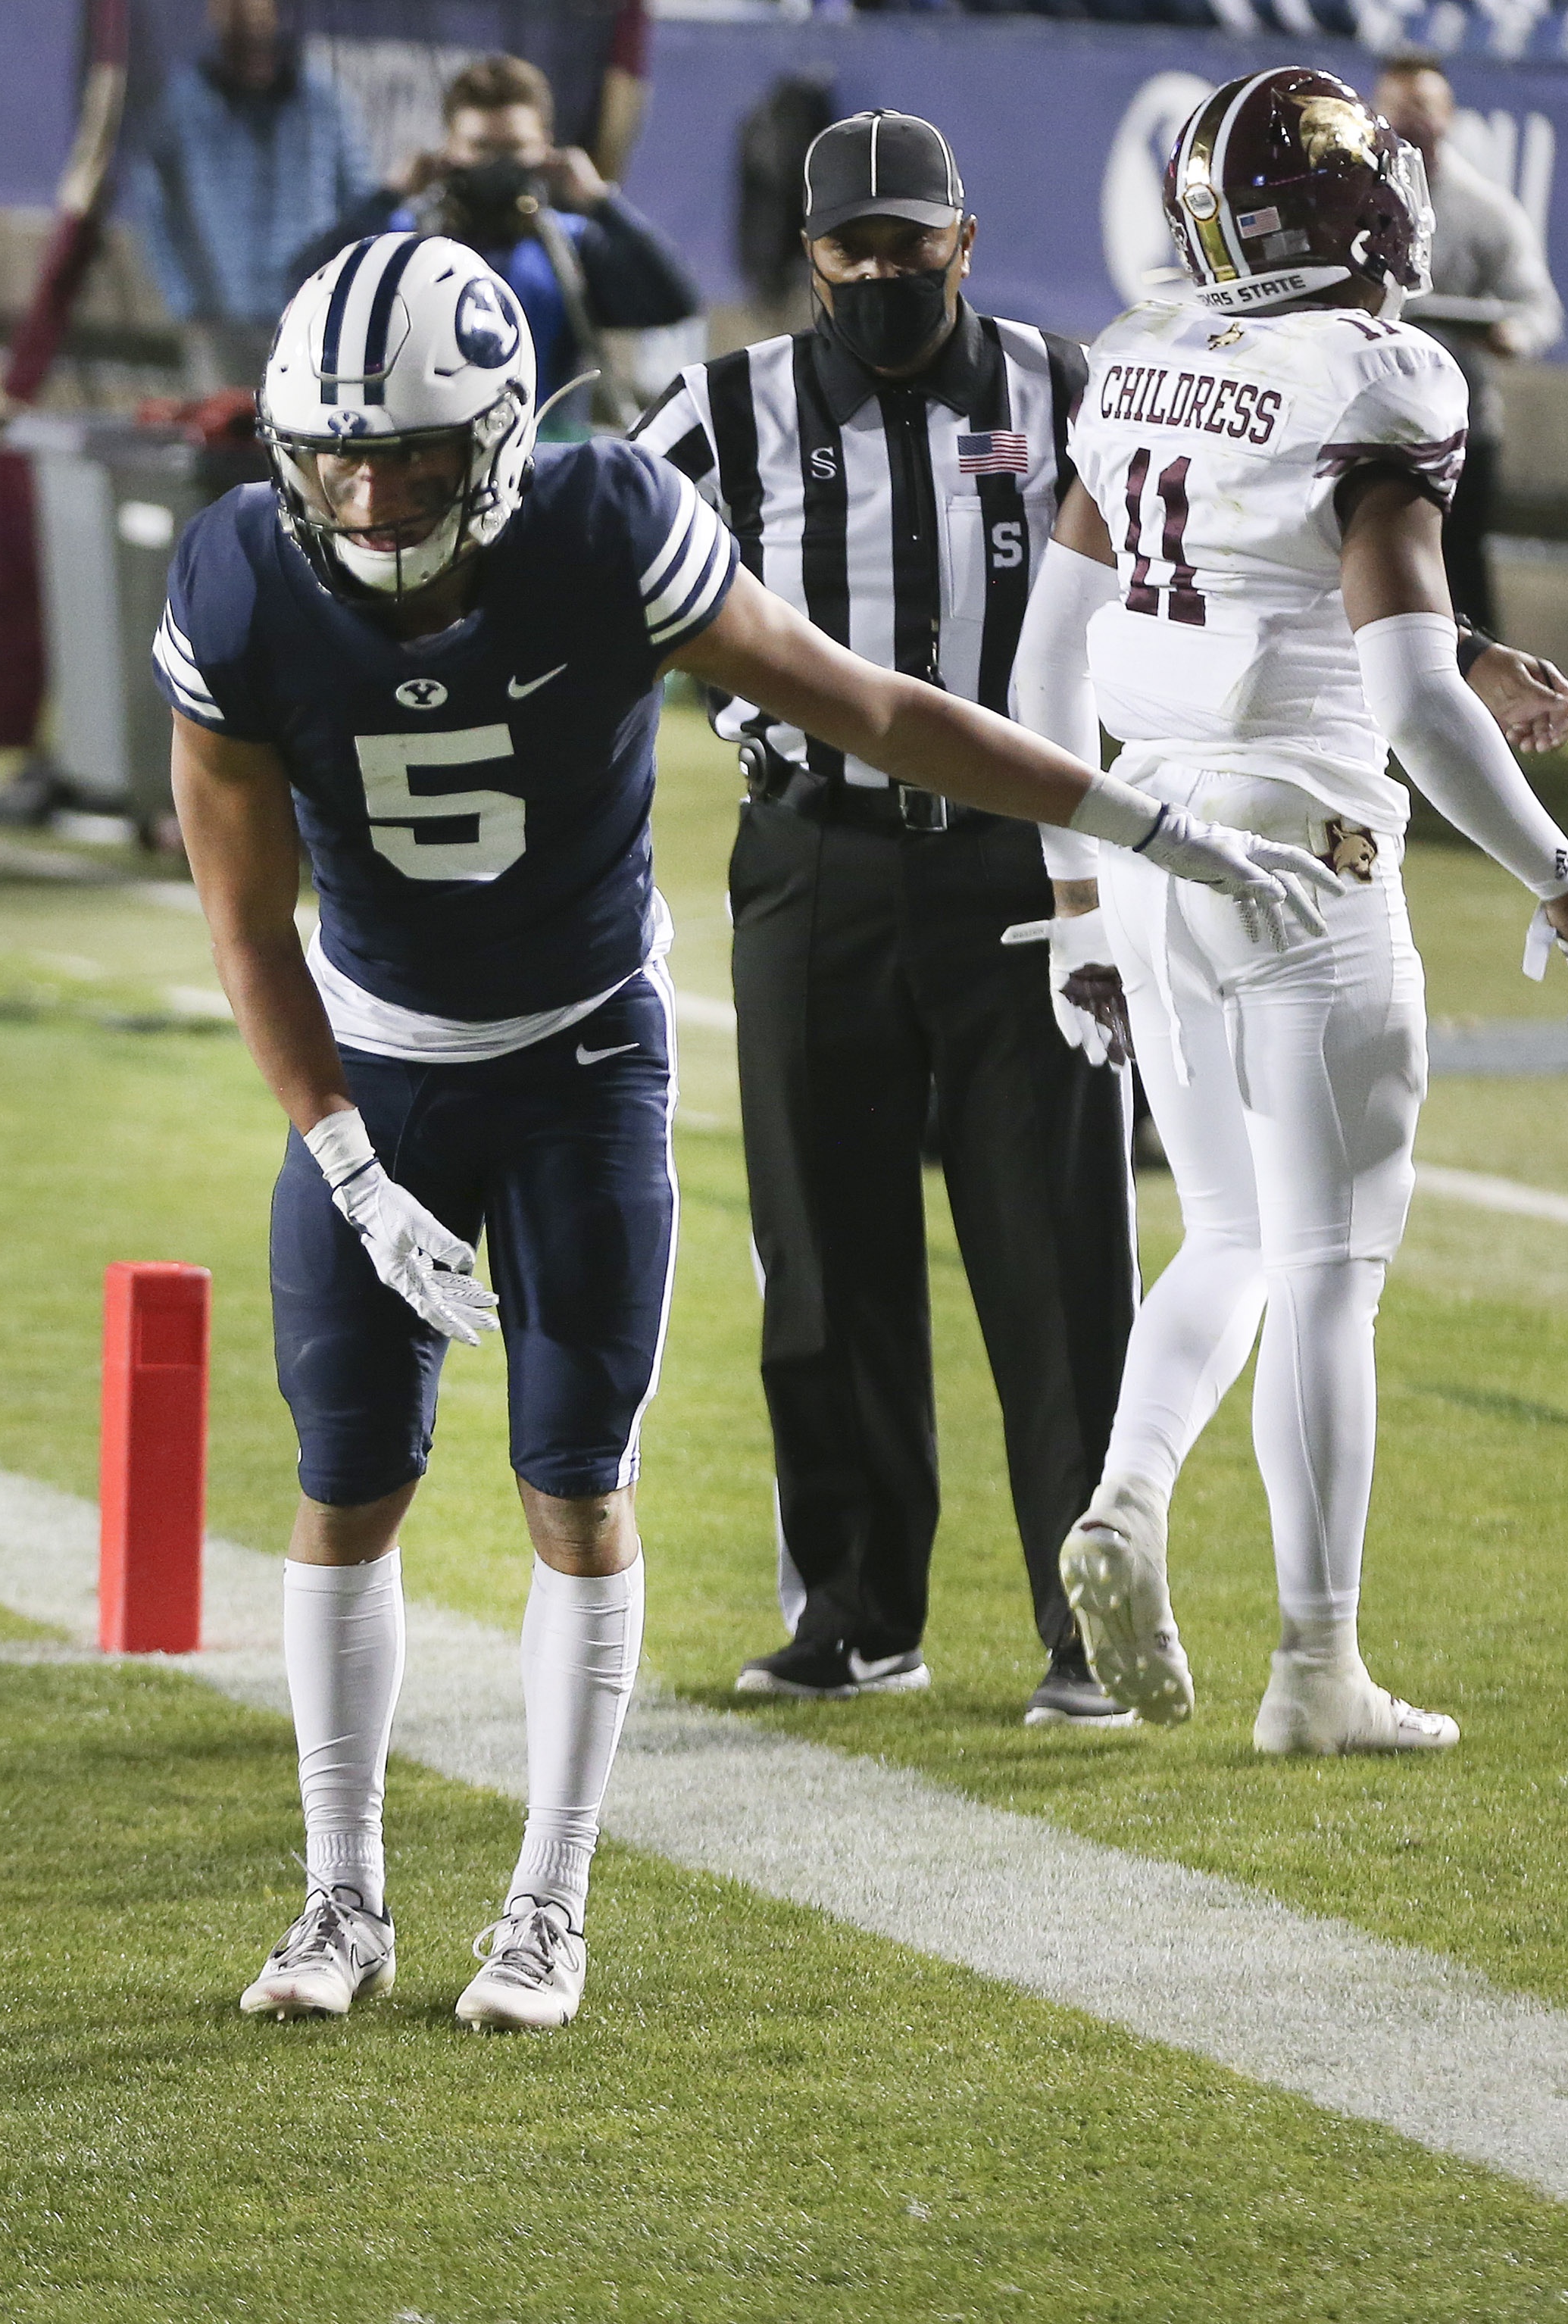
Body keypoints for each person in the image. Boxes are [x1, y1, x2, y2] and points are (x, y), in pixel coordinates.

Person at [166, 232, 1339, 2030]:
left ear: (491, 436)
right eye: (336, 454)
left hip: (573, 1059)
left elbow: (865, 706)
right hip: (381, 1068)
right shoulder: (244, 580)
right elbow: (246, 923)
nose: (368, 490)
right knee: (344, 1483)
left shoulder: (599, 525)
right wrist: (339, 1151)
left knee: (573, 1479)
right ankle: (338, 1900)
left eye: (405, 451)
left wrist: (1141, 826)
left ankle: (544, 1907)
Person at [1019, 66, 1568, 1756]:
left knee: (1223, 1233)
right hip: (1302, 853)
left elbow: (1051, 656)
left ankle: (1129, 1497)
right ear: (1349, 211)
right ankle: (1314, 1666)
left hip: (1143, 833)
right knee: (1333, 1266)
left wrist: (1070, 898)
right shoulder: (1372, 372)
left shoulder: (1141, 354)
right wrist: (1558, 877)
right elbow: (1415, 708)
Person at [631, 112, 1134, 1727]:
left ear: (964, 241)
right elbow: (587, 560)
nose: (886, 274)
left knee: (1055, 1250)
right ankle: (852, 1612)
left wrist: (1447, 642)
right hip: (811, 858)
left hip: (1022, 862)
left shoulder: (1070, 393)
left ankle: (1092, 1625)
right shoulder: (722, 410)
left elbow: (1227, 549)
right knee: (821, 1248)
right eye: (855, 251)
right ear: (810, 260)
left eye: (914, 245)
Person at [292, 53, 695, 439]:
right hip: (427, 455)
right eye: (482, 148)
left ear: (545, 149)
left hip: (545, 463)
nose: (498, 166)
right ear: (449, 148)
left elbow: (674, 301)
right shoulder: (403, 241)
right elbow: (305, 287)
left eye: (515, 149)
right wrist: (389, 195)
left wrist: (601, 202)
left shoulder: (570, 248)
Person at [1370, 52, 1560, 636]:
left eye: (1423, 106)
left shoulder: (1485, 210)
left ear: (1448, 114)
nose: (1411, 120)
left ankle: (1489, 706)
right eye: (1398, 107)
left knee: (1459, 577)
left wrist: (1511, 334)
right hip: (1369, 418)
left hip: (1459, 425)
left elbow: (1539, 309)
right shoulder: (1350, 200)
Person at [121, 0, 365, 395]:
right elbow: (158, 211)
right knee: (223, 443)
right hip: (219, 324)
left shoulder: (322, 100)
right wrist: (187, 300)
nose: (251, 34)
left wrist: (340, 295)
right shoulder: (184, 104)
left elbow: (359, 199)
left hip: (310, 316)